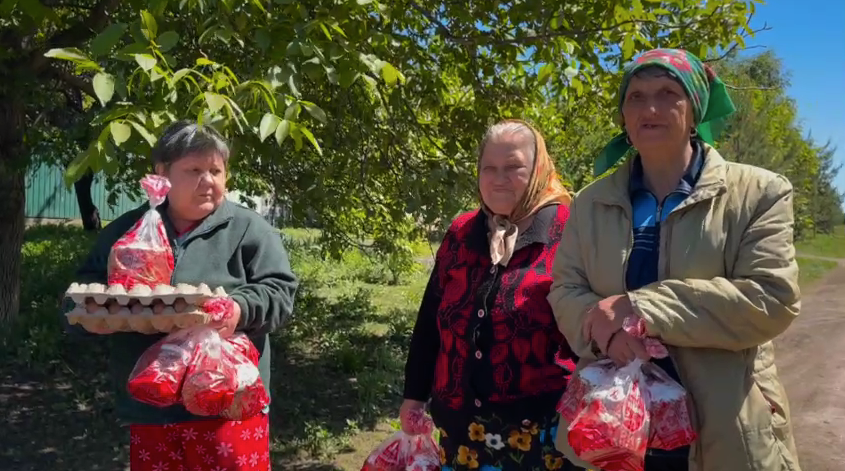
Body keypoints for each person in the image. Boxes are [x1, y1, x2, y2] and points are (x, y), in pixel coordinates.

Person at [548, 48, 802, 471]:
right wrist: (606, 335)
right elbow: (565, 290)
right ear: (624, 118)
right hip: (612, 427)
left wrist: (641, 306)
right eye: (636, 96)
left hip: (720, 430)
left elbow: (771, 298)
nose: (650, 107)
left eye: (669, 93)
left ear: (695, 108)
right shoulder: (591, 202)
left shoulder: (759, 193)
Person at [61, 120, 298, 471]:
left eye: (216, 170)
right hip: (151, 409)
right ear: (163, 173)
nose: (209, 181)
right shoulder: (129, 233)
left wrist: (239, 310)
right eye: (194, 170)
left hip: (227, 408)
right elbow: (79, 296)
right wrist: (93, 320)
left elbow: (280, 293)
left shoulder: (249, 230)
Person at [401, 119, 585, 471]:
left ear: (538, 171)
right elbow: (429, 323)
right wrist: (414, 396)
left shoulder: (570, 230)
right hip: (460, 432)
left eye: (513, 167)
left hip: (540, 435)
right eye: (490, 168)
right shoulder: (462, 232)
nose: (499, 178)